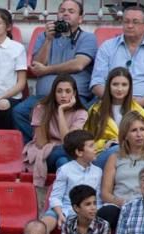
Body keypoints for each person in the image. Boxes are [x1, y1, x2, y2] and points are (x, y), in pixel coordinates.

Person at [90, 7, 144, 148]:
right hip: (111, 100)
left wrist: (139, 103)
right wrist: (115, 99)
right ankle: (100, 153)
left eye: (135, 22)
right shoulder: (107, 47)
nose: (130, 26)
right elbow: (96, 82)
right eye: (126, 21)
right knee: (86, 112)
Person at [14, 0, 97, 143]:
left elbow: (78, 65)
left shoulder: (87, 38)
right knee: (19, 112)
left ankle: (59, 148)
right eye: (62, 11)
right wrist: (48, 39)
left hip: (75, 98)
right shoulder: (45, 36)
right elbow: (37, 66)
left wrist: (47, 70)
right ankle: (36, 146)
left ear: (80, 18)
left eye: (71, 12)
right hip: (44, 97)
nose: (65, 14)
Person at [98, 110, 144, 227]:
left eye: (142, 129)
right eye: (134, 130)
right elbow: (105, 193)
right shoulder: (114, 158)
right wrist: (122, 202)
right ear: (125, 135)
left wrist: (139, 204)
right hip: (119, 206)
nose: (139, 134)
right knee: (106, 213)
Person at [22, 74, 87, 188]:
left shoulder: (81, 113)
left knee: (63, 162)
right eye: (59, 91)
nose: (63, 95)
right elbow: (41, 143)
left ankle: (66, 195)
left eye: (68, 91)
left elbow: (67, 142)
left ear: (74, 94)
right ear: (53, 93)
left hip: (66, 154)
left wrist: (60, 111)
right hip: (44, 153)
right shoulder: (41, 109)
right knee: (68, 151)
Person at [84, 68, 144, 169]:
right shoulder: (96, 110)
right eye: (115, 84)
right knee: (116, 149)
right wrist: (106, 143)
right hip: (101, 156)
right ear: (108, 86)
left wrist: (126, 144)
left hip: (131, 157)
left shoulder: (139, 111)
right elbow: (86, 141)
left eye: (124, 85)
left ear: (130, 87)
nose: (119, 89)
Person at [44, 129, 101, 233]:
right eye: (91, 146)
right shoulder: (65, 170)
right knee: (49, 217)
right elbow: (56, 197)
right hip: (65, 208)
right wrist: (60, 214)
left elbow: (99, 198)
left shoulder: (98, 172)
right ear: (79, 152)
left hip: (87, 211)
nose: (96, 149)